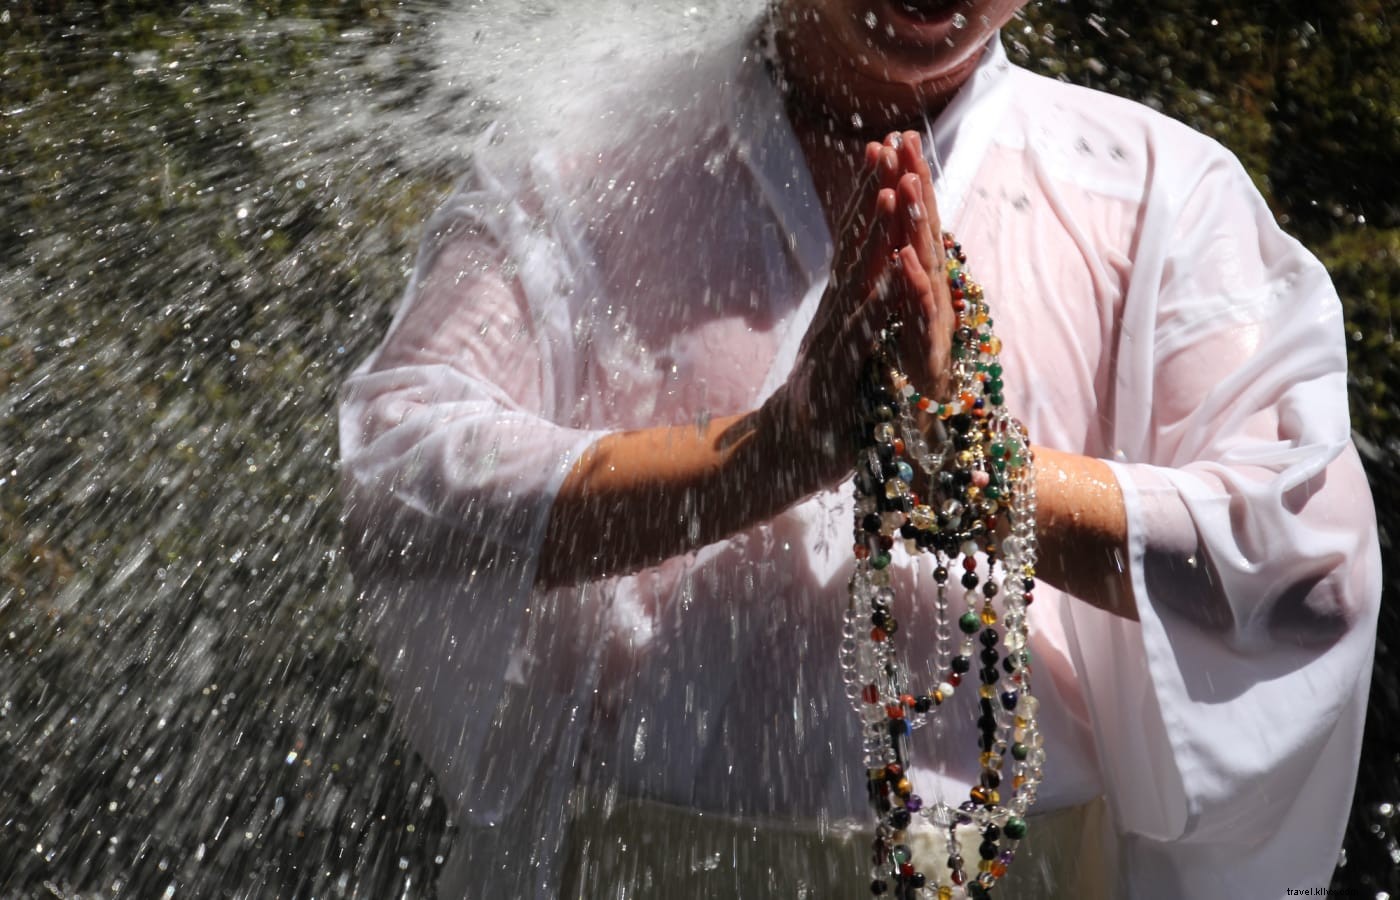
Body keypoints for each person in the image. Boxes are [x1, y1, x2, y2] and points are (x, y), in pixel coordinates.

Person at [339, 0, 1381, 896]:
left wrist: (969, 463)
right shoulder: (579, 172)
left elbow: (1307, 569)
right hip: (640, 863)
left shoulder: (1155, 194)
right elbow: (393, 481)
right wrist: (757, 460)